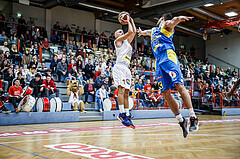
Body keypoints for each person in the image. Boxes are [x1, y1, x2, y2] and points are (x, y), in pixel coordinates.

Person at [138, 13, 198, 137]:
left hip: (168, 56)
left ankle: (193, 117)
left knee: (179, 86)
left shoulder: (166, 25)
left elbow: (172, 22)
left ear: (162, 19)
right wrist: (141, 32)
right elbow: (148, 32)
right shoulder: (154, 30)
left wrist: (179, 19)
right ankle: (181, 121)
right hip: (158, 61)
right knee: (165, 93)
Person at [113, 16, 136, 129]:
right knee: (121, 90)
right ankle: (121, 113)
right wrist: (128, 21)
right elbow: (130, 31)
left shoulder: (127, 42)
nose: (121, 31)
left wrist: (131, 20)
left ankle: (127, 115)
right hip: (119, 67)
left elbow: (134, 31)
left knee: (127, 92)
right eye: (119, 31)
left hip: (127, 68)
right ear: (116, 36)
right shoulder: (118, 41)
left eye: (122, 30)